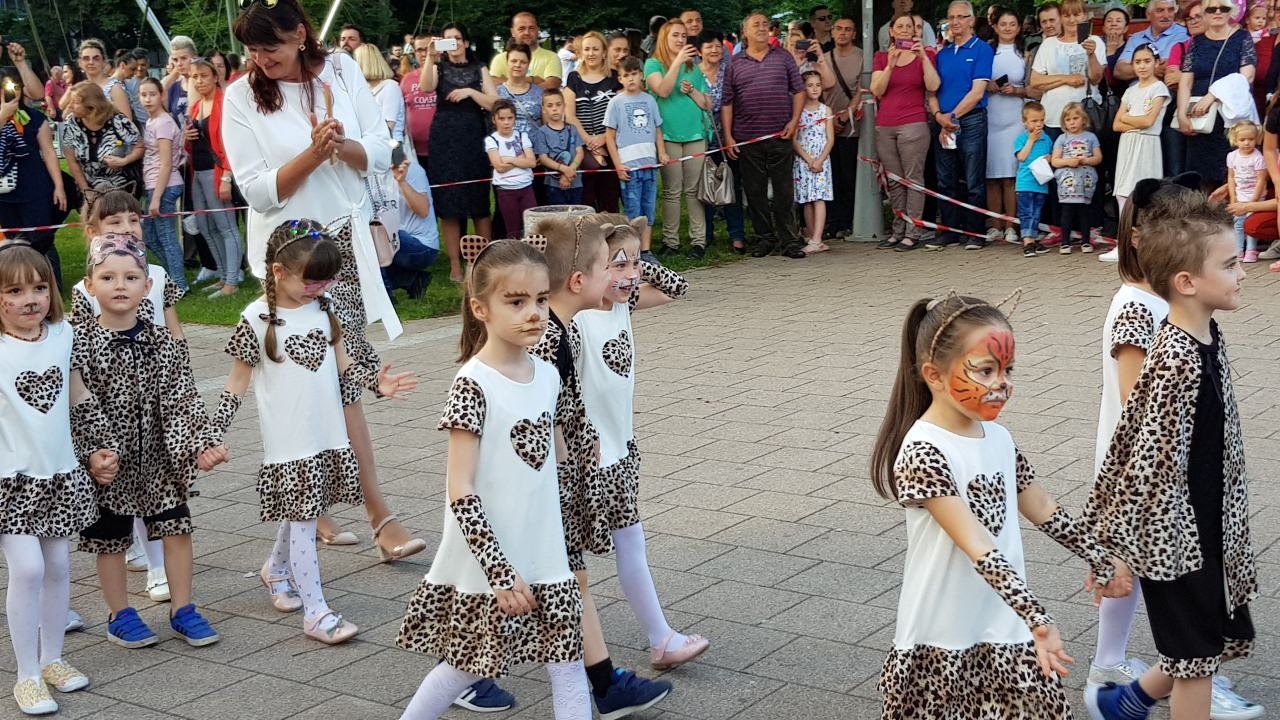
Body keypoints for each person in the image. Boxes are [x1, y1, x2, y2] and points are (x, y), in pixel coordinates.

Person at [224, 0, 427, 564]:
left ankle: (338, 513)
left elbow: (385, 151)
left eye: (272, 47)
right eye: (253, 49)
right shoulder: (240, 95)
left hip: (342, 244)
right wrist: (314, 155)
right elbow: (257, 190)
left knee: (339, 382)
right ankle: (370, 513)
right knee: (307, 385)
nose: (260, 59)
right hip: (288, 253)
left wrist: (342, 147)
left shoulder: (339, 69)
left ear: (300, 35)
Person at [869, 293, 1130, 720]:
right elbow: (979, 547)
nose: (1001, 383)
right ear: (934, 374)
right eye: (986, 370)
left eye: (1008, 370)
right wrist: (1038, 618)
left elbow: (1042, 504)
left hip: (1005, 625)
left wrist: (1101, 557)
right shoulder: (923, 451)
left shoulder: (999, 440)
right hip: (945, 636)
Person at [396, 239, 591, 720]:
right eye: (517, 301)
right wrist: (499, 571)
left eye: (542, 299)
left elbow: (559, 463)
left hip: (544, 550)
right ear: (480, 308)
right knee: (462, 667)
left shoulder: (547, 376)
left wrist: (577, 525)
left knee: (567, 663)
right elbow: (459, 489)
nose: (534, 312)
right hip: (490, 561)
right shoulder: (472, 384)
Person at [1084, 195, 1257, 720]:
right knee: (1196, 662)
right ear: (1186, 282)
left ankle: (1126, 701)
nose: (1241, 273)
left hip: (1209, 530)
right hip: (1174, 542)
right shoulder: (1174, 357)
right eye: (1228, 265)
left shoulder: (1207, 335)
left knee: (1210, 641)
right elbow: (1140, 460)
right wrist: (1111, 551)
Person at [213, 220, 413, 644]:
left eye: (328, 279)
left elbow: (345, 369)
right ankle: (317, 613)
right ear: (278, 271)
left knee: (302, 511)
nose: (321, 287)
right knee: (304, 518)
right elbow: (235, 383)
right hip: (289, 443)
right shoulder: (256, 317)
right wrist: (214, 433)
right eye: (312, 280)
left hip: (328, 436)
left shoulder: (324, 310)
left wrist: (378, 383)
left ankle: (275, 570)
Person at [526, 215, 674, 717]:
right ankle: (596, 684)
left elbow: (562, 411)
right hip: (536, 487)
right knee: (522, 592)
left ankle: (600, 684)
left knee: (566, 584)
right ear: (578, 280)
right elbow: (539, 419)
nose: (623, 277)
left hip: (563, 479)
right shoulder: (551, 334)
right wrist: (567, 473)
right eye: (606, 266)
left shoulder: (562, 327)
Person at [575, 217, 709, 673]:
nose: (630, 274)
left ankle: (661, 639)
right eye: (617, 264)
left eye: (635, 263)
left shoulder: (622, 306)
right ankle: (469, 665)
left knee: (631, 541)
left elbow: (677, 288)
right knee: (554, 564)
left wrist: (635, 259)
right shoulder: (574, 321)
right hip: (583, 459)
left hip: (621, 451)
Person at [76, 234, 221, 651]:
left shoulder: (163, 342)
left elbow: (184, 397)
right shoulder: (79, 343)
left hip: (161, 459)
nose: (119, 285)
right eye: (107, 276)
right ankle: (119, 614)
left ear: (148, 286)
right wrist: (92, 456)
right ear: (89, 285)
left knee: (176, 528)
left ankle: (183, 608)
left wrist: (201, 443)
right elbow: (76, 408)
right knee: (110, 538)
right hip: (109, 464)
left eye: (131, 276)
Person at [1083, 175, 1192, 699]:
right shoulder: (1137, 308)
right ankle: (1193, 672)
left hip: (1148, 465)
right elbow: (1138, 407)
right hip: (1142, 468)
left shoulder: (1158, 302)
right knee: (1160, 573)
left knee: (1130, 570)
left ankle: (1109, 664)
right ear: (1142, 239)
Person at [0, 241, 103, 717]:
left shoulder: (64, 335)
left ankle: (53, 658)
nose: (30, 299)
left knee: (59, 567)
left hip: (59, 473)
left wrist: (101, 445)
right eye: (14, 291)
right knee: (28, 570)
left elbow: (78, 394)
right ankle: (26, 676)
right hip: (10, 479)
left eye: (39, 288)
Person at [418, 22, 499, 284]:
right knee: (449, 204)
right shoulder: (438, 67)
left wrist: (471, 92)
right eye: (447, 39)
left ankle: (482, 263)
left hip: (474, 137)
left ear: (465, 43)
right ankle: (455, 265)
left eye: (457, 39)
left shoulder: (480, 68)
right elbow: (426, 88)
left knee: (479, 203)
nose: (453, 43)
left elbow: (494, 102)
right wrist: (431, 57)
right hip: (444, 139)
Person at [723, 13, 807, 259]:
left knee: (784, 190)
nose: (761, 28)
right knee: (755, 191)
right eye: (755, 24)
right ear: (744, 31)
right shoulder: (734, 63)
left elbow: (799, 91)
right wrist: (728, 136)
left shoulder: (783, 57)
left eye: (764, 24)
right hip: (747, 137)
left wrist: (794, 121)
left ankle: (790, 240)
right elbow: (727, 102)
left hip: (781, 134)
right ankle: (764, 238)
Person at [928, 1, 995, 250]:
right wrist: (938, 116)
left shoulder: (982, 50)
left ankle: (976, 232)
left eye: (960, 17)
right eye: (951, 17)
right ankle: (949, 231)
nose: (955, 22)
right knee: (946, 179)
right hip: (943, 121)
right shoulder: (942, 54)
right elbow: (932, 88)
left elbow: (977, 92)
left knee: (973, 179)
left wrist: (951, 117)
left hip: (971, 120)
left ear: (971, 20)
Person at [872, 13, 939, 251]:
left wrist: (923, 57)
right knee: (894, 181)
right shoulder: (881, 57)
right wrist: (890, 65)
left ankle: (914, 231)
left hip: (913, 123)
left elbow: (933, 86)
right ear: (891, 31)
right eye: (899, 26)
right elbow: (876, 90)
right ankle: (898, 230)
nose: (903, 30)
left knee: (913, 179)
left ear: (915, 30)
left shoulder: (927, 54)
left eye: (908, 26)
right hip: (885, 124)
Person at [644, 19, 710, 258]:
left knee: (693, 190)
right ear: (664, 38)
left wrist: (692, 90)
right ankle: (671, 242)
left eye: (684, 36)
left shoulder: (694, 66)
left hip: (695, 135)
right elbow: (661, 90)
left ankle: (698, 242)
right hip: (668, 136)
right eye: (675, 35)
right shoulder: (652, 64)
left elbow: (707, 103)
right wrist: (677, 63)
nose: (681, 40)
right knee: (672, 190)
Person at [1177, 0, 1255, 189]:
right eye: (1212, 9)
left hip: (1230, 115)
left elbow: (1247, 77)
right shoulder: (1197, 41)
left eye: (1224, 8)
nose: (1218, 12)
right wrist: (1181, 114)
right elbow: (1186, 81)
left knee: (1231, 176)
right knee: (1199, 179)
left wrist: (1212, 96)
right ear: (1204, 13)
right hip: (1199, 116)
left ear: (1231, 12)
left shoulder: (1242, 37)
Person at [0, 66, 66, 281]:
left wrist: (58, 186)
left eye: (14, 87)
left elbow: (48, 152)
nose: (10, 92)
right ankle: (23, 280)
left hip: (34, 188)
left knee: (42, 237)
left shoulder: (33, 117)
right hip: (5, 193)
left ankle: (51, 283)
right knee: (13, 240)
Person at [186, 58, 243, 297]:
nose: (199, 81)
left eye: (203, 76)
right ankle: (222, 274)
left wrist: (226, 177)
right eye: (195, 77)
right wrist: (187, 138)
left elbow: (232, 143)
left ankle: (233, 279)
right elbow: (192, 145)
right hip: (197, 172)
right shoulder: (196, 106)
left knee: (226, 227)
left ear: (215, 77)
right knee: (206, 227)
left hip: (217, 172)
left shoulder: (224, 104)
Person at [605, 57, 666, 261]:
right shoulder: (616, 102)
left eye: (634, 74)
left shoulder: (649, 100)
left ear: (641, 75)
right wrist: (618, 164)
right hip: (630, 167)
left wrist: (662, 152)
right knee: (633, 210)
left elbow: (657, 129)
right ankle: (633, 252)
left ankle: (646, 251)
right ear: (620, 78)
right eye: (626, 75)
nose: (631, 78)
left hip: (649, 165)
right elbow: (609, 136)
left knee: (648, 209)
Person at [986, 8, 1035, 246]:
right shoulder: (986, 51)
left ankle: (1011, 226)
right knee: (992, 176)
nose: (1007, 28)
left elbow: (1033, 87)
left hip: (1015, 118)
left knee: (1011, 176)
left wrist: (1015, 90)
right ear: (995, 26)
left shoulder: (1024, 53)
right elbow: (975, 81)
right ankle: (994, 225)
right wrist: (989, 86)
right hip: (991, 117)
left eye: (1012, 24)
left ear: (1018, 27)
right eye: (1002, 24)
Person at [697, 30, 746, 253]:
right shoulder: (694, 74)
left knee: (731, 186)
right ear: (700, 51)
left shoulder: (731, 71)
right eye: (709, 46)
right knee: (705, 188)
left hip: (728, 137)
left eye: (718, 46)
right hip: (702, 140)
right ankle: (705, 236)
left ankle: (737, 235)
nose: (715, 50)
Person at [135, 78, 186, 291]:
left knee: (166, 236)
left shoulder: (164, 122)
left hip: (164, 185)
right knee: (149, 235)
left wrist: (156, 197)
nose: (147, 99)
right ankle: (171, 277)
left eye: (152, 94)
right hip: (153, 184)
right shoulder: (151, 122)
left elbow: (166, 163)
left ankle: (179, 285)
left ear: (162, 95)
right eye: (143, 95)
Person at [564, 32, 623, 213]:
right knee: (586, 200)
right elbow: (569, 115)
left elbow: (621, 114)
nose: (591, 53)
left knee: (610, 199)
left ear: (604, 52)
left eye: (595, 49)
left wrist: (604, 138)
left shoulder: (614, 77)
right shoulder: (574, 78)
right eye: (587, 49)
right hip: (583, 148)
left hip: (611, 145)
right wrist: (589, 141)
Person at [60, 81, 142, 210]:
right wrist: (86, 190)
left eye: (75, 102)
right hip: (88, 187)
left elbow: (140, 147)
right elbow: (72, 161)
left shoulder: (118, 121)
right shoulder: (71, 124)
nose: (70, 106)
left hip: (120, 186)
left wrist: (124, 160)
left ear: (91, 106)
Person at [1112, 44, 1171, 216]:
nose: (1142, 66)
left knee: (1146, 192)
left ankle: (1146, 235)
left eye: (1147, 61)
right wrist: (1131, 121)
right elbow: (1116, 125)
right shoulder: (1130, 91)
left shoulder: (1158, 88)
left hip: (1147, 143)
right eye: (1138, 62)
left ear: (1156, 62)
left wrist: (1127, 117)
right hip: (1127, 143)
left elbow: (1148, 121)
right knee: (1123, 190)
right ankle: (1124, 236)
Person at [823, 17, 863, 240]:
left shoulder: (861, 57)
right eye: (839, 29)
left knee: (849, 176)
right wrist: (830, 119)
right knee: (832, 176)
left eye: (848, 29)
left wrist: (845, 116)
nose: (843, 33)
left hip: (852, 126)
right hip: (826, 125)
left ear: (854, 34)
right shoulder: (825, 57)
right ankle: (833, 221)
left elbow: (861, 90)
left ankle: (848, 221)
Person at [1050, 102, 1102, 253]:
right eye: (1068, 119)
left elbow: (1098, 158)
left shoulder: (1091, 137)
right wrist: (1068, 162)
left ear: (1083, 120)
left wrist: (1085, 160)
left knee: (1084, 211)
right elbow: (1055, 160)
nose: (1072, 122)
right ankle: (1065, 242)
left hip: (1085, 182)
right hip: (1068, 183)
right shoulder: (1062, 138)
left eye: (1075, 118)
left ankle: (1085, 241)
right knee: (1067, 211)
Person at [384, 158, 439, 299]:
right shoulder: (368, 171)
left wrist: (402, 182)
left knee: (375, 238)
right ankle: (412, 280)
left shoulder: (412, 169)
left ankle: (386, 296)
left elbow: (423, 210)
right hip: (396, 239)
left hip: (422, 245)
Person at [793, 71, 833, 255]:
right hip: (803, 160)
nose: (815, 88)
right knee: (806, 199)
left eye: (817, 84)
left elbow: (830, 139)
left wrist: (820, 159)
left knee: (819, 198)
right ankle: (812, 237)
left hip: (821, 160)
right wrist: (808, 159)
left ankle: (817, 238)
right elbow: (794, 139)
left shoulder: (826, 111)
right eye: (810, 85)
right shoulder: (798, 111)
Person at [486, 99, 537, 236]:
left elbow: (532, 162)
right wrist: (520, 160)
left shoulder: (522, 136)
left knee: (532, 227)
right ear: (494, 120)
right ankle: (515, 255)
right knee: (512, 228)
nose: (506, 122)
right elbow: (499, 167)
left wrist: (509, 159)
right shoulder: (492, 140)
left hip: (526, 187)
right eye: (501, 118)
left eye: (510, 118)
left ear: (515, 119)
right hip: (506, 190)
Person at [1015, 102, 1054, 256]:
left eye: (1041, 120)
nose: (1039, 124)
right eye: (1034, 121)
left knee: (1037, 212)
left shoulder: (1047, 139)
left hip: (1041, 183)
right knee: (1026, 212)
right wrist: (1031, 140)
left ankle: (1033, 237)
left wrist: (1050, 158)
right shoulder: (1021, 139)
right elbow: (1021, 157)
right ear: (1025, 122)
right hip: (1025, 183)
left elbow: (1051, 156)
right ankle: (1027, 241)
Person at [1114, 0, 1188, 82]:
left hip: (1166, 91)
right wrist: (1152, 68)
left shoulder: (1185, 34)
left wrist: (1138, 66)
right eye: (1160, 10)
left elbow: (1169, 66)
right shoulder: (1135, 38)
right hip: (1136, 91)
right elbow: (1119, 71)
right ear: (1148, 15)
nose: (1166, 15)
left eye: (1170, 10)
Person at [533, 88, 584, 205]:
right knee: (558, 218)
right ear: (544, 109)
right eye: (550, 106)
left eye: (558, 104)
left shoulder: (573, 129)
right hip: (554, 185)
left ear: (564, 106)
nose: (554, 109)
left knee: (576, 216)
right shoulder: (542, 132)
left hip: (575, 182)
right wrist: (564, 169)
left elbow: (580, 152)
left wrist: (571, 170)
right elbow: (544, 158)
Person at [489, 12, 563, 89]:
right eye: (521, 29)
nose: (527, 33)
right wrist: (532, 80)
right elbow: (492, 83)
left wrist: (506, 81)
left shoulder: (551, 57)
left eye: (531, 28)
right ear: (513, 32)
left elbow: (552, 84)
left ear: (538, 30)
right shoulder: (500, 58)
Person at [1226, 120, 1267, 262]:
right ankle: (1238, 249)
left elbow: (1261, 179)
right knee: (1238, 224)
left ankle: (1251, 249)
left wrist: (1254, 200)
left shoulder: (1258, 158)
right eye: (1242, 140)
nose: (1247, 143)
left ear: (1257, 139)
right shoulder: (1232, 157)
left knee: (1251, 224)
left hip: (1254, 198)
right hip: (1240, 197)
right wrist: (1233, 196)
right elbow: (1231, 177)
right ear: (1235, 140)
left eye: (1251, 139)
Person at [355, 44, 405, 143]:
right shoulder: (364, 87)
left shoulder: (390, 87)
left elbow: (389, 126)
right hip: (371, 144)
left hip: (391, 145)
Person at [402, 35, 438, 168]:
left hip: (443, 148)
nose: (424, 54)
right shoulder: (407, 79)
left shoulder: (447, 73)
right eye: (419, 50)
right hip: (415, 151)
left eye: (428, 49)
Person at [497, 42, 545, 140]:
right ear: (507, 62)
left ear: (528, 64)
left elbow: (547, 125)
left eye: (523, 62)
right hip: (506, 151)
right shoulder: (497, 92)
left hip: (536, 150)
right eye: (514, 61)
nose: (518, 65)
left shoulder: (539, 92)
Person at [76, 39, 132, 121]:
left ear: (104, 62)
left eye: (96, 58)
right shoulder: (80, 89)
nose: (91, 62)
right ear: (80, 63)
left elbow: (127, 123)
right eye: (86, 58)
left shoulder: (114, 88)